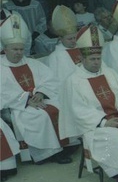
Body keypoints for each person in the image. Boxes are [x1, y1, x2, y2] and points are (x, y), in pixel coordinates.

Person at [60, 24, 118, 182]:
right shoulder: (74, 81)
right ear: (82, 59)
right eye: (92, 59)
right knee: (114, 137)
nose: (96, 62)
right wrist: (105, 122)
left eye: (98, 58)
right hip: (94, 125)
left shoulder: (109, 73)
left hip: (117, 116)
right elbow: (79, 111)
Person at [1, 13, 75, 165]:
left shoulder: (31, 63)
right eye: (14, 49)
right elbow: (3, 93)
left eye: (21, 49)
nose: (18, 53)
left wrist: (41, 93)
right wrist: (27, 100)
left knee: (60, 107)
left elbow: (50, 78)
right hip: (18, 106)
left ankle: (65, 146)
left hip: (39, 99)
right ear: (5, 49)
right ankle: (46, 153)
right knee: (38, 117)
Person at [44, 5, 83, 85]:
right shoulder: (55, 57)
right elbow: (53, 81)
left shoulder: (83, 49)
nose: (73, 41)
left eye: (75, 37)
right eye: (69, 39)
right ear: (61, 39)